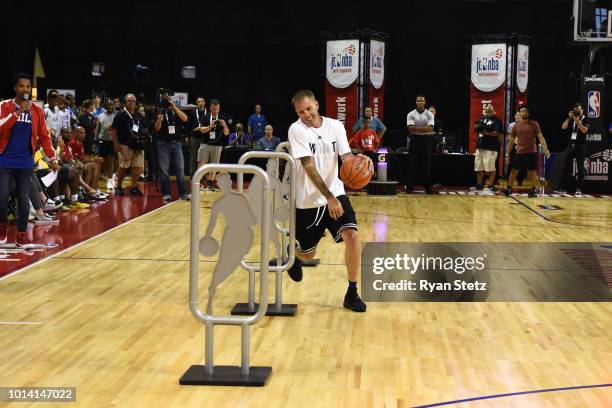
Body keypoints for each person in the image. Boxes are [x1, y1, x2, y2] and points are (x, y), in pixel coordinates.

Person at [287, 89, 374, 313]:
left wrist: (361, 161)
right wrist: (328, 198)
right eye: (301, 111)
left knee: (353, 236)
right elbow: (308, 166)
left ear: (316, 104)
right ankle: (294, 256)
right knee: (309, 254)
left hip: (335, 192)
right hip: (309, 199)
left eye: (309, 108)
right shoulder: (296, 130)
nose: (307, 114)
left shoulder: (335, 126)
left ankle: (352, 292)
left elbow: (345, 158)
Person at [0, 73, 60, 245]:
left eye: (27, 86)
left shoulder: (36, 111)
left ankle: (21, 234)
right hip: (4, 159)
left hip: (25, 161)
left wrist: (52, 158)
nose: (24, 89)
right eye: (21, 86)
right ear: (15, 88)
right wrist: (17, 112)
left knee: (24, 199)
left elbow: (45, 137)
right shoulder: (4, 106)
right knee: (2, 197)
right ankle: (2, 227)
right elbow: (1, 128)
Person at [504, 106, 550, 198]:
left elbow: (540, 137)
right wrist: (507, 154)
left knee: (532, 172)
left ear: (528, 113)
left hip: (531, 152)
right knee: (514, 171)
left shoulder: (534, 124)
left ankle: (533, 190)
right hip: (519, 152)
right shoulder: (515, 126)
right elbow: (511, 141)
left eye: (526, 111)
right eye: (522, 111)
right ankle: (508, 188)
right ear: (519, 113)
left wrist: (546, 149)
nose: (524, 113)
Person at [153, 92, 190, 202]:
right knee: (164, 170)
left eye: (170, 99)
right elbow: (157, 129)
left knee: (180, 169)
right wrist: (159, 119)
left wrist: (174, 107)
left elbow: (185, 119)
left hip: (176, 142)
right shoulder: (159, 111)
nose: (169, 101)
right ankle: (166, 194)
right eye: (167, 99)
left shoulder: (176, 111)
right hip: (163, 143)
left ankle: (183, 193)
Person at [110, 93, 146, 196]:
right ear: (125, 103)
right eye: (129, 101)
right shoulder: (120, 114)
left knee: (137, 166)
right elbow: (113, 130)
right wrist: (116, 144)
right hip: (124, 144)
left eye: (133, 101)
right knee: (123, 166)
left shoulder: (138, 114)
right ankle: (118, 187)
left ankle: (134, 187)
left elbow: (141, 128)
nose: (131, 103)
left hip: (137, 144)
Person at [197, 99, 229, 191]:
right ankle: (198, 182)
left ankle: (210, 183)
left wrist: (224, 125)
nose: (215, 111)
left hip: (217, 145)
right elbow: (202, 130)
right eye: (214, 109)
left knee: (214, 165)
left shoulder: (222, 118)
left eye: (217, 109)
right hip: (205, 143)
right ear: (210, 107)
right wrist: (210, 126)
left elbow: (226, 133)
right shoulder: (205, 117)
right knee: (201, 163)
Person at [406, 95, 435, 194]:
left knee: (426, 164)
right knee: (412, 164)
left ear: (425, 103)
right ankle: (410, 187)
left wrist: (417, 129)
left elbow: (430, 129)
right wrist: (424, 129)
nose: (420, 102)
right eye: (418, 100)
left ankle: (428, 188)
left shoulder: (429, 114)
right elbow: (410, 128)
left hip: (425, 140)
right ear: (416, 102)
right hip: (414, 139)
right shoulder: (410, 114)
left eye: (422, 101)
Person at [472, 104, 503, 192]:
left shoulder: (497, 121)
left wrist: (486, 132)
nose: (488, 113)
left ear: (494, 111)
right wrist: (477, 128)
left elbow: (497, 133)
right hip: (480, 146)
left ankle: (490, 186)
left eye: (490, 111)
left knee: (490, 168)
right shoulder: (482, 118)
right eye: (487, 111)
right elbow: (476, 127)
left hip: (491, 147)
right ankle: (479, 185)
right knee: (479, 167)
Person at [559, 103, 589, 194]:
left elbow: (584, 130)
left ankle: (579, 188)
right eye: (575, 109)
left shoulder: (585, 119)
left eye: (579, 109)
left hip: (581, 145)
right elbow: (563, 127)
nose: (577, 111)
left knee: (580, 167)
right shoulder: (571, 118)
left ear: (582, 110)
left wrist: (578, 122)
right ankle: (563, 187)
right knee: (567, 166)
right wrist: (569, 118)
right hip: (571, 144)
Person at [96, 98, 117, 189]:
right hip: (102, 141)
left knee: (111, 160)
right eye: (108, 105)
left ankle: (109, 181)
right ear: (105, 106)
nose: (110, 106)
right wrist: (95, 140)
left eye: (112, 105)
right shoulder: (100, 116)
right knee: (103, 162)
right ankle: (110, 175)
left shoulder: (117, 115)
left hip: (112, 141)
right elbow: (98, 129)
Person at [188, 96, 207, 175]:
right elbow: (189, 124)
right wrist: (187, 136)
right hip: (194, 137)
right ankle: (193, 175)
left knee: (204, 158)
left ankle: (203, 175)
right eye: (199, 102)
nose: (200, 103)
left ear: (204, 103)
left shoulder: (208, 112)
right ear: (197, 103)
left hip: (204, 138)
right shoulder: (193, 112)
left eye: (202, 101)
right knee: (193, 157)